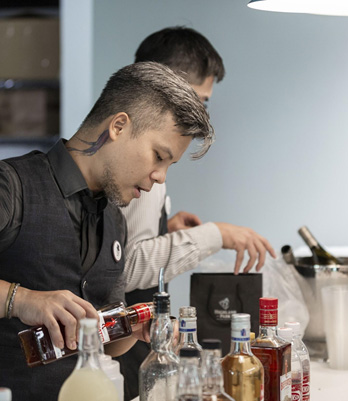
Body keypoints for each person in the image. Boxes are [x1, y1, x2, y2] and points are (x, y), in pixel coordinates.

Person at [0, 61, 213, 401]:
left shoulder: (115, 220)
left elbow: (105, 343)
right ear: (119, 126)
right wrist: (21, 300)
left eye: (168, 165)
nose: (160, 177)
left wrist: (132, 329)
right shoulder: (5, 186)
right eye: (158, 156)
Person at [116, 27, 276, 401]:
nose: (203, 114)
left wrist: (167, 229)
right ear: (167, 88)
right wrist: (216, 235)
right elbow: (128, 267)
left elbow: (121, 245)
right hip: (128, 361)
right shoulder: (137, 167)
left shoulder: (141, 158)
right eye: (200, 101)